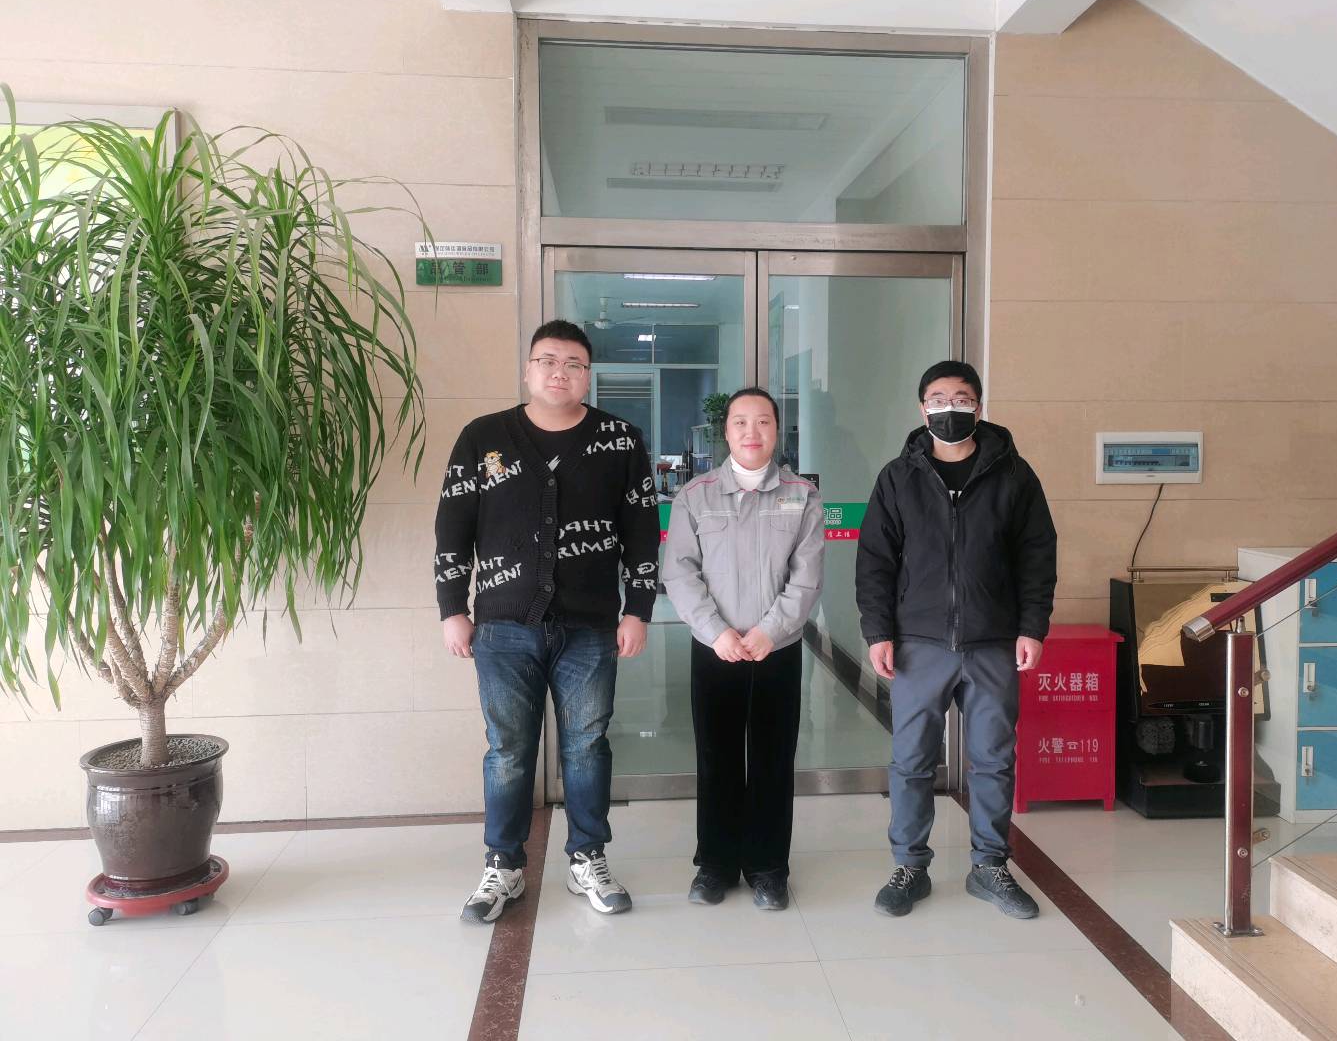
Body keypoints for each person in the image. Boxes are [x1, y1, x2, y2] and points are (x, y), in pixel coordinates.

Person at [435, 319, 660, 923]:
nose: (561, 373)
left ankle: (588, 857)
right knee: (508, 749)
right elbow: (453, 527)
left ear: (588, 375)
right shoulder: (483, 437)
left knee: (587, 745)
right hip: (503, 625)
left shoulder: (620, 440)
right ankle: (503, 865)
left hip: (590, 626)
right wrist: (452, 608)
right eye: (549, 361)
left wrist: (638, 609)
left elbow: (641, 531)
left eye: (574, 364)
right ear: (528, 370)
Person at [856, 360, 1057, 920]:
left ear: (979, 406)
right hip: (918, 642)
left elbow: (1037, 558)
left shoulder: (1015, 475)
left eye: (962, 398)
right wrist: (878, 631)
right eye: (939, 399)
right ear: (923, 409)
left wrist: (1032, 627)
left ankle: (990, 866)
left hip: (993, 641)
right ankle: (909, 866)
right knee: (911, 761)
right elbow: (875, 562)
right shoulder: (898, 477)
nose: (951, 408)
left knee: (993, 759)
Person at [661, 388, 824, 911]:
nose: (751, 432)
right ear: (725, 431)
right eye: (740, 422)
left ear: (776, 429)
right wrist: (717, 633)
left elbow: (807, 576)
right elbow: (679, 572)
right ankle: (715, 863)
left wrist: (770, 631)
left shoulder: (802, 495)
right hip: (716, 650)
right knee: (718, 757)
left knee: (774, 758)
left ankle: (769, 866)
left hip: (778, 650)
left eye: (763, 422)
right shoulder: (695, 496)